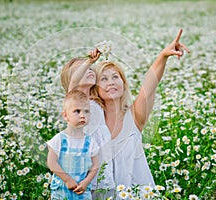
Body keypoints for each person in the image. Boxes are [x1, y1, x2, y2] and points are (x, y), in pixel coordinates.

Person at [91, 29, 190, 192]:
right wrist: (87, 62)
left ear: (123, 83)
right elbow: (72, 90)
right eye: (104, 78)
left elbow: (149, 86)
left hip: (136, 194)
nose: (111, 82)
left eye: (116, 77)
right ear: (94, 88)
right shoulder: (89, 119)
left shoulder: (134, 116)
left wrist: (163, 56)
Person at [60, 50, 116, 198]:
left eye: (91, 69)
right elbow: (74, 82)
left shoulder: (96, 100)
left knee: (104, 189)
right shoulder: (74, 99)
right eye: (82, 69)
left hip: (103, 155)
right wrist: (89, 62)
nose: (89, 70)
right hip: (84, 155)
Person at [47, 90, 100, 199]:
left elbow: (95, 166)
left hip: (82, 192)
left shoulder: (90, 142)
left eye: (86, 111)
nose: (82, 115)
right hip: (61, 192)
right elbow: (51, 162)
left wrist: (86, 182)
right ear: (66, 116)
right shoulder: (59, 139)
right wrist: (67, 179)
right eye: (77, 111)